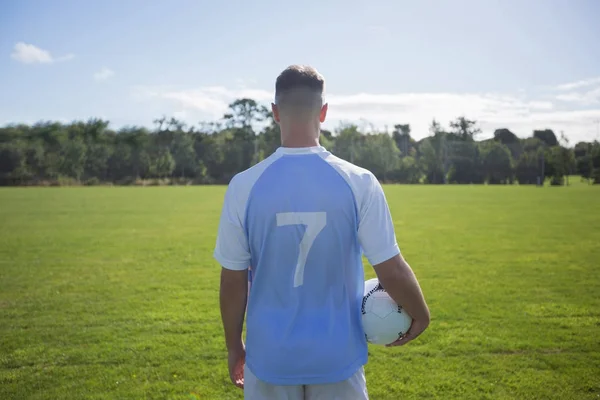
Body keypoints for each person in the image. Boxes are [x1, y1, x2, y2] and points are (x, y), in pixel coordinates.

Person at [214, 65, 430, 399]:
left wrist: (234, 347)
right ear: (324, 112)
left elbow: (232, 280)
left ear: (275, 113)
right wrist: (421, 314)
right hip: (337, 358)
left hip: (270, 358)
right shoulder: (358, 182)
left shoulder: (244, 186)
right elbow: (390, 268)